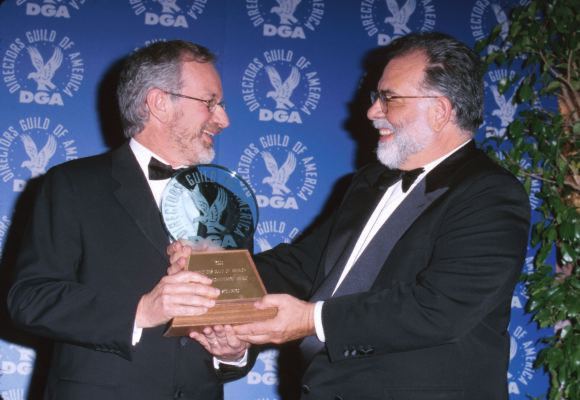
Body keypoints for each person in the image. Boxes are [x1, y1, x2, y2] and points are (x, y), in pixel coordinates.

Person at [171, 32, 531, 399]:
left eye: (389, 98)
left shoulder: (490, 193)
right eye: (376, 97)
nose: (373, 111)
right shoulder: (368, 183)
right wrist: (211, 269)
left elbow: (441, 307)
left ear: (439, 111)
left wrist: (311, 319)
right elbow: (302, 266)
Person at [7, 40, 249, 400]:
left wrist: (233, 353)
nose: (224, 119)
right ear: (160, 103)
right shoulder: (73, 185)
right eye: (211, 103)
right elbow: (29, 298)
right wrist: (141, 311)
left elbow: (238, 313)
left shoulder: (227, 201)